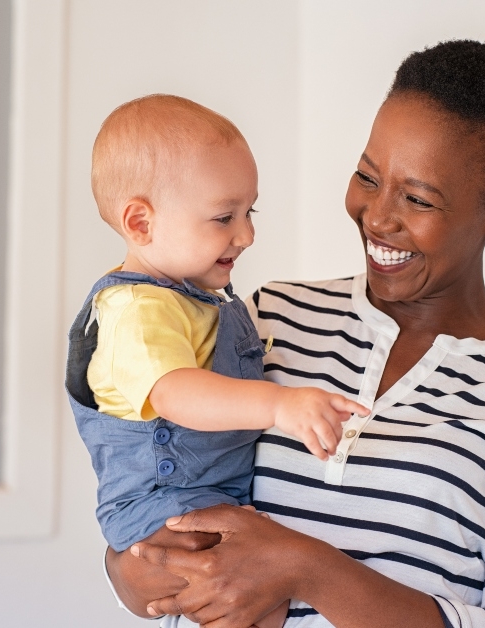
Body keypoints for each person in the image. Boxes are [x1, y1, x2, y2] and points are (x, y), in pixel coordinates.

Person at [104, 40, 485, 628]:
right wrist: (130, 570)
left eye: (418, 198)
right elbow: (149, 487)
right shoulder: (262, 319)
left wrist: (306, 568)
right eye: (367, 177)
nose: (377, 216)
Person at [65, 95, 369, 628]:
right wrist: (280, 405)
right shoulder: (138, 310)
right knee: (247, 592)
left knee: (256, 593)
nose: (247, 234)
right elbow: (178, 394)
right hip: (165, 503)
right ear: (141, 222)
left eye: (250, 211)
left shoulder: (195, 299)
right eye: (224, 217)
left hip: (207, 494)